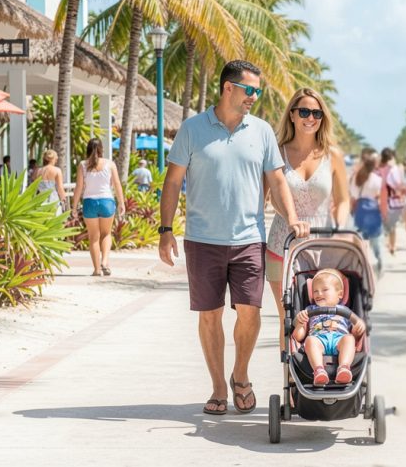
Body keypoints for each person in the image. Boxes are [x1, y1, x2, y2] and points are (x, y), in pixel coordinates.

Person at [158, 60, 308, 416]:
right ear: (229, 88)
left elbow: (277, 181)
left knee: (250, 312)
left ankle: (240, 375)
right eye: (250, 90)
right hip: (202, 240)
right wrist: (165, 231)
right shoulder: (193, 129)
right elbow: (173, 181)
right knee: (210, 315)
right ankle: (218, 388)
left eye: (258, 91)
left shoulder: (262, 131)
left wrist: (293, 218)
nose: (254, 97)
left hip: (248, 239)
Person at [266, 88, 351, 351]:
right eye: (304, 111)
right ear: (292, 115)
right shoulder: (276, 152)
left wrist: (340, 228)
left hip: (324, 247)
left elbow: (343, 199)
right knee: (288, 318)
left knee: (327, 316)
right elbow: (268, 196)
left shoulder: (332, 155)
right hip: (283, 243)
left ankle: (323, 367)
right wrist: (290, 218)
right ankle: (290, 376)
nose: (310, 118)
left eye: (316, 113)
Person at [292, 269, 367, 385]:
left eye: (325, 290)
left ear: (340, 294)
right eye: (315, 291)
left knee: (349, 339)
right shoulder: (309, 310)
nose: (319, 294)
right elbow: (298, 337)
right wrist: (300, 323)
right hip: (318, 339)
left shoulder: (345, 310)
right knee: (309, 340)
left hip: (339, 339)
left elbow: (356, 332)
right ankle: (319, 370)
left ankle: (344, 368)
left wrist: (359, 328)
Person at [72, 138, 126, 277]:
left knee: (93, 237)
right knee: (106, 234)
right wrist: (121, 203)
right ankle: (105, 262)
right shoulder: (110, 164)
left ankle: (96, 270)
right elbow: (117, 184)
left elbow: (79, 187)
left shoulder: (82, 165)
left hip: (89, 203)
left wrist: (74, 207)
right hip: (106, 202)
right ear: (102, 149)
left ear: (88, 149)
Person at [351, 148, 389, 273]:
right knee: (376, 238)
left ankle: (364, 263)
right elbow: (381, 198)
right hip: (373, 211)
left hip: (360, 212)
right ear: (374, 166)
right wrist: (384, 214)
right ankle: (379, 259)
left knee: (362, 239)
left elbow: (353, 195)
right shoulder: (377, 179)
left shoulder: (357, 178)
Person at [378, 148, 406, 256]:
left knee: (386, 223)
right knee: (392, 225)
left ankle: (388, 244)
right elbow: (397, 183)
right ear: (392, 157)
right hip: (391, 200)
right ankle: (392, 246)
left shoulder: (378, 169)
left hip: (380, 199)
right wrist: (405, 189)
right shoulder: (393, 169)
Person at [36, 149, 67, 215]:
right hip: (53, 201)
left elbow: (36, 188)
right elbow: (60, 188)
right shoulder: (57, 170)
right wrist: (64, 200)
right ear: (52, 158)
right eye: (56, 157)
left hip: (41, 201)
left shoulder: (39, 171)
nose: (56, 159)